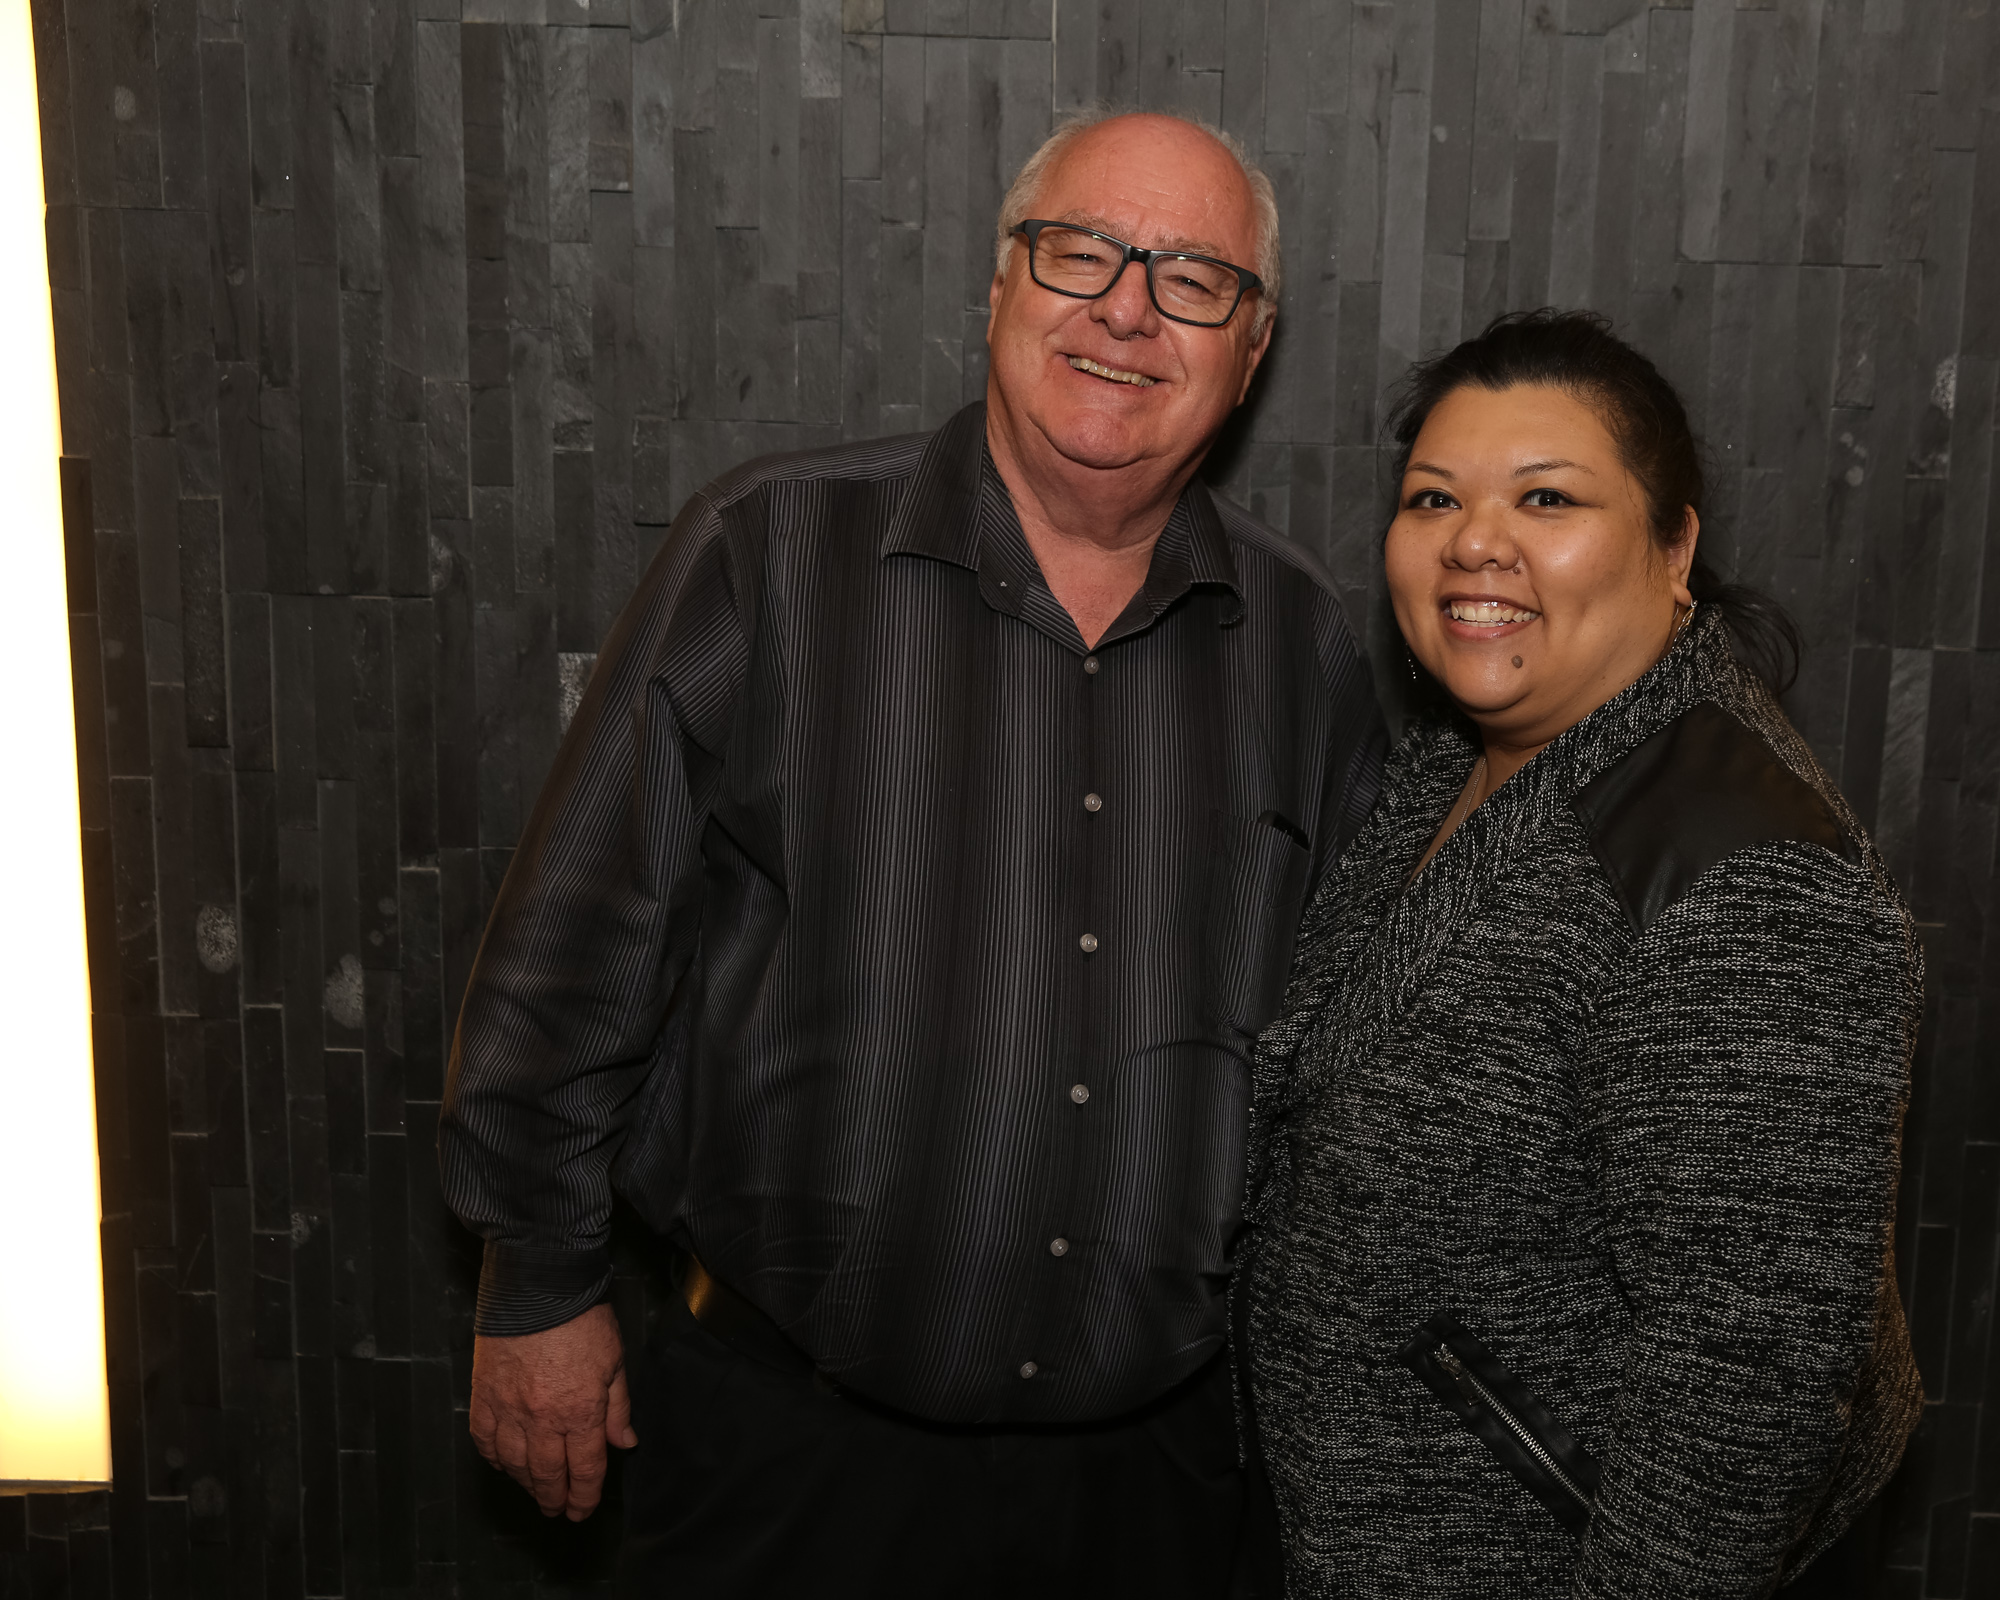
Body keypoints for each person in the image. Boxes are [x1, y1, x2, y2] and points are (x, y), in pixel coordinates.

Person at [437, 109, 1386, 1596]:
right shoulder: (768, 554)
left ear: (1250, 350)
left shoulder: (1305, 646)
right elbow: (580, 937)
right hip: (787, 1465)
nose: (1127, 310)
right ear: (1001, 284)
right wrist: (537, 1280)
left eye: (1194, 279)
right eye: (1081, 254)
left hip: (1155, 1490)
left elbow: (1352, 1053)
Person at [1239, 309, 1923, 1596]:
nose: (1474, 540)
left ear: (1675, 548)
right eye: (1434, 497)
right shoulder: (1461, 763)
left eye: (1546, 497)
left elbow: (1748, 1389)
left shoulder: (1749, 878)